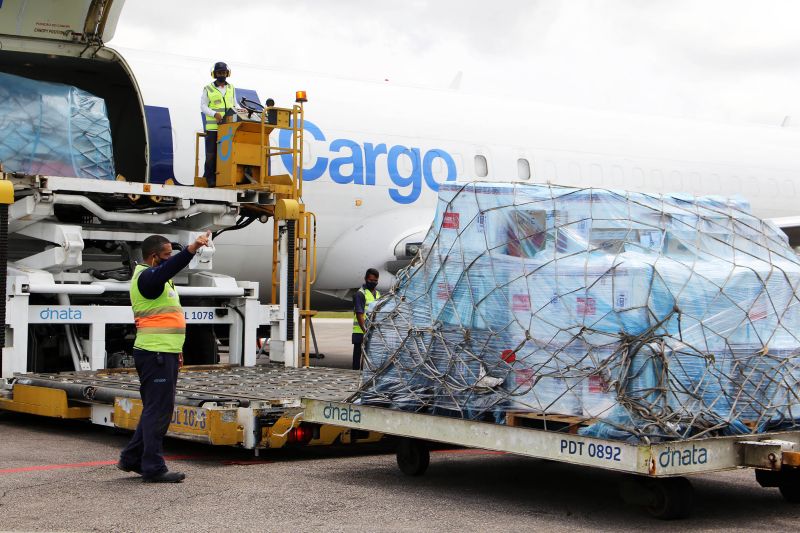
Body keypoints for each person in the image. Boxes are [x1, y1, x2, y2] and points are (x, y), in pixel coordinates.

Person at [117, 231, 211, 483]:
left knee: (153, 409)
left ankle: (132, 459)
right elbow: (170, 269)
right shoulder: (148, 278)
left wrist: (176, 349)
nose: (170, 260)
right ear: (153, 257)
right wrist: (190, 249)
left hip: (162, 351)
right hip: (155, 353)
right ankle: (153, 467)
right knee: (158, 411)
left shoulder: (159, 280)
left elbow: (166, 318)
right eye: (167, 255)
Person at [200, 61, 236, 187]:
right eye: (219, 72)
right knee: (211, 155)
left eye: (224, 72)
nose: (222, 75)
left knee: (225, 156)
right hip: (213, 128)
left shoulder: (231, 88)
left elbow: (234, 105)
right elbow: (203, 106)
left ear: (227, 73)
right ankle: (209, 178)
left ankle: (221, 178)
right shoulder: (208, 89)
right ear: (215, 74)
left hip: (227, 129)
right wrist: (214, 113)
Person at [352, 268, 380, 370]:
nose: (373, 282)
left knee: (368, 357)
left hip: (372, 331)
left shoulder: (377, 294)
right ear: (365, 279)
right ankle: (355, 376)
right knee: (358, 356)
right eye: (371, 280)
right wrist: (365, 330)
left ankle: (365, 376)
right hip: (360, 331)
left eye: (375, 281)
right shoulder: (360, 294)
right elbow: (360, 314)